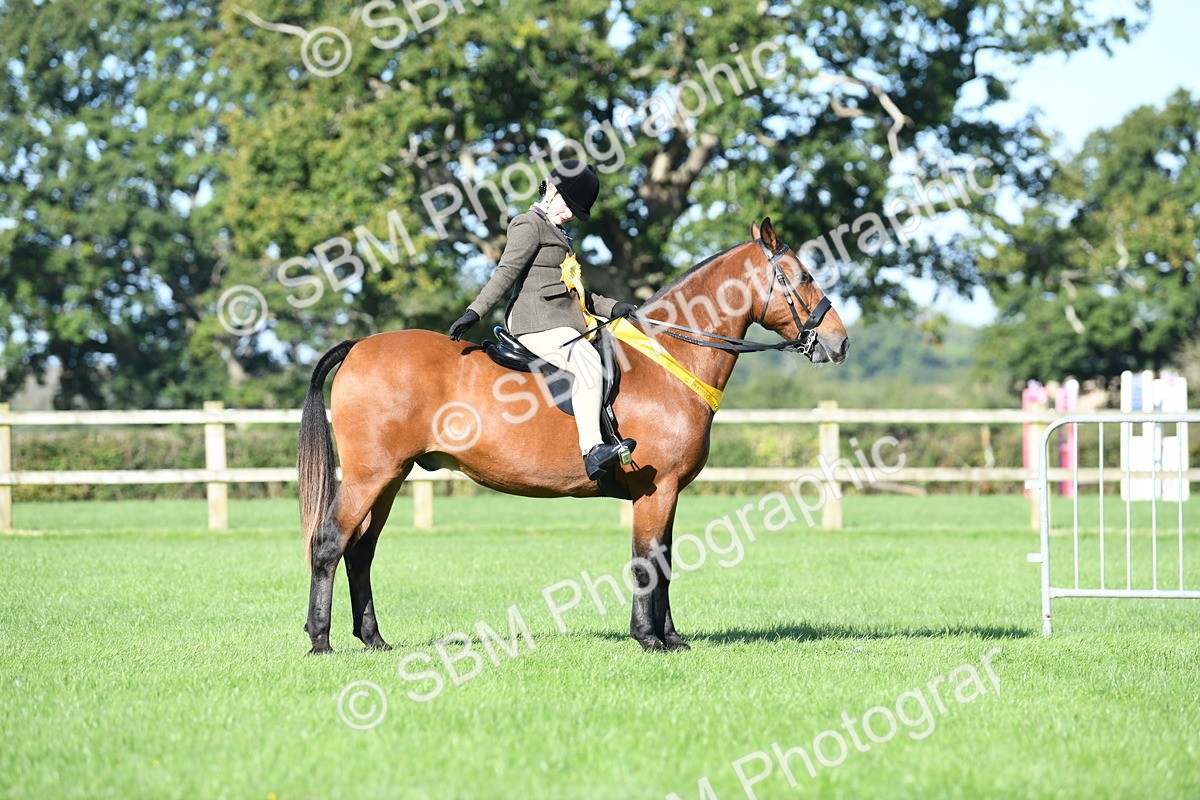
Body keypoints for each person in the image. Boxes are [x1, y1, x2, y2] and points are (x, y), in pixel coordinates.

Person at [448, 159, 638, 479]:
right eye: (568, 206)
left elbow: (576, 292)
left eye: (575, 212)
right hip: (534, 321)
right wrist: (475, 311)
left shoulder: (560, 233)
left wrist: (615, 307)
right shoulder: (528, 224)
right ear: (549, 190)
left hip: (561, 321)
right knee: (587, 363)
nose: (569, 215)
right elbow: (506, 272)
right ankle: (592, 450)